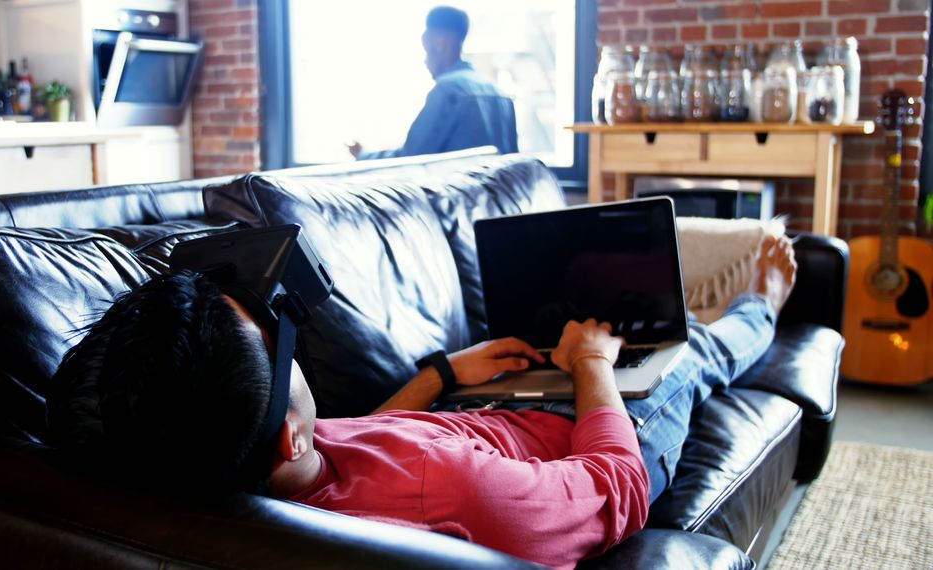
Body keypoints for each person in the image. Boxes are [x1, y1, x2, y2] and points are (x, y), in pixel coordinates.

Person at [48, 236, 797, 569]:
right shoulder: (452, 495)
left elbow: (365, 442)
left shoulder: (256, 468)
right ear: (287, 438)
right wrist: (595, 367)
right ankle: (761, 304)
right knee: (691, 354)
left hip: (492, 415)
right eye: (282, 347)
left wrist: (440, 375)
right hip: (604, 435)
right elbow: (615, 489)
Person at [348, 6, 518, 160]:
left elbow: (412, 158)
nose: (425, 61)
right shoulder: (500, 94)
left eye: (426, 48)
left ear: (439, 43)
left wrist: (364, 156)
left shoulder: (448, 91)